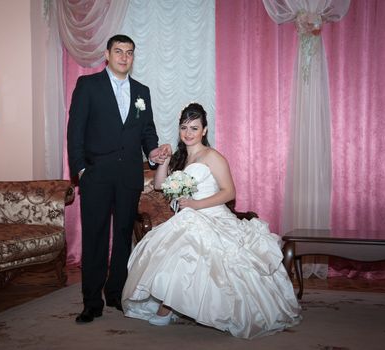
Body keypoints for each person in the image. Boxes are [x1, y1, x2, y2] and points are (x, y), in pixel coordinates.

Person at [121, 103, 302, 339]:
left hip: (212, 215)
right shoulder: (182, 157)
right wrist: (164, 161)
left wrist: (196, 205)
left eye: (194, 128)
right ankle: (174, 304)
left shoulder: (213, 157)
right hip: (188, 217)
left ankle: (168, 308)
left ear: (204, 131)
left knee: (192, 245)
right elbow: (159, 185)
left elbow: (229, 192)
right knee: (175, 246)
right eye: (184, 127)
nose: (188, 133)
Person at [67, 34, 171, 324]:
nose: (124, 57)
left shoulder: (142, 91)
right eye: (119, 51)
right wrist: (82, 171)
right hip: (96, 175)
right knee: (95, 238)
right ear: (107, 55)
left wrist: (154, 152)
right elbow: (75, 131)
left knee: (124, 236)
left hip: (129, 176)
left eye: (129, 52)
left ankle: (115, 293)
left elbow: (147, 131)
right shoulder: (88, 86)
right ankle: (91, 302)